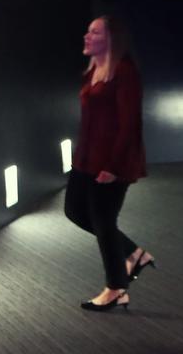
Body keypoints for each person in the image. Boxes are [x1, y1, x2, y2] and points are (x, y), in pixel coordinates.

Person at [67, 16, 153, 313]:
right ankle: (134, 254)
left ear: (111, 39)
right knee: (75, 211)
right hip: (86, 159)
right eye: (87, 30)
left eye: (94, 32)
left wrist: (114, 166)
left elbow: (129, 125)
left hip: (111, 163)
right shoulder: (92, 71)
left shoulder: (124, 72)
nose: (86, 36)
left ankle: (116, 287)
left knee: (103, 222)